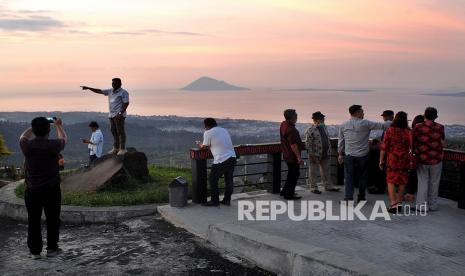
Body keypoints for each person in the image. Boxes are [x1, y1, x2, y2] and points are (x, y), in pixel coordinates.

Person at [19, 117, 67, 259]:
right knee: (53, 218)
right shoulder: (54, 145)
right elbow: (64, 138)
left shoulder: (27, 145)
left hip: (32, 189)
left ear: (33, 131)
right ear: (48, 130)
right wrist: (58, 125)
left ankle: (35, 252)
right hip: (52, 189)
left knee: (33, 220)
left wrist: (32, 127)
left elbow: (23, 136)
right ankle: (52, 248)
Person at [338, 105, 389, 202]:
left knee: (349, 177)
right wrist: (396, 121)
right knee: (363, 176)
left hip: (349, 155)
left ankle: (348, 199)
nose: (363, 113)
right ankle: (361, 197)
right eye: (362, 112)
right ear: (357, 113)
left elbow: (341, 141)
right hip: (363, 155)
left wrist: (340, 154)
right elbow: (383, 126)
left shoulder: (343, 125)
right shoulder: (365, 123)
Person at [81, 78, 129, 156]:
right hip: (111, 115)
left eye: (115, 83)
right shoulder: (110, 91)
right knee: (113, 131)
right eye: (112, 83)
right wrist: (89, 88)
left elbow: (126, 103)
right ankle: (116, 147)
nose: (113, 84)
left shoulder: (123, 92)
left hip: (118, 116)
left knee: (120, 131)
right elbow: (99, 91)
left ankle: (122, 148)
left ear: (120, 84)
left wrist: (120, 113)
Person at [196, 118, 236, 206]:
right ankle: (227, 200)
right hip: (232, 157)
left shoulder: (208, 132)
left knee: (213, 179)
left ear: (206, 126)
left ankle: (215, 201)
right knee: (228, 180)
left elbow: (204, 147)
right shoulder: (223, 130)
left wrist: (199, 144)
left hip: (221, 159)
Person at [413, 107, 444, 211]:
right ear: (436, 116)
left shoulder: (418, 127)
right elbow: (442, 141)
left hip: (422, 159)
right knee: (434, 182)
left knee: (423, 182)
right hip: (436, 159)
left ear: (424, 115)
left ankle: (422, 206)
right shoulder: (440, 127)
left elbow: (413, 141)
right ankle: (433, 205)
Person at [379, 111, 412, 213]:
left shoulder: (390, 130)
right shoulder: (409, 132)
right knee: (402, 181)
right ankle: (399, 203)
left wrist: (381, 161)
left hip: (392, 158)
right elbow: (411, 147)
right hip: (404, 158)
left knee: (391, 180)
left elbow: (384, 147)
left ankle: (393, 204)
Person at [304, 111, 339, 194]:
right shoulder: (310, 130)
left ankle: (328, 186)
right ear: (317, 120)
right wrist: (311, 154)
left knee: (326, 170)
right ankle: (313, 187)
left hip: (325, 153)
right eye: (322, 119)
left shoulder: (324, 128)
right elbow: (308, 143)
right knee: (313, 171)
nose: (324, 120)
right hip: (315, 154)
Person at [280, 109, 304, 200]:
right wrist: (299, 158)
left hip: (286, 154)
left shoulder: (283, 124)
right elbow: (293, 145)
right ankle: (289, 194)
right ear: (292, 117)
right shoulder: (292, 130)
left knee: (290, 174)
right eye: (296, 115)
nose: (297, 117)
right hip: (292, 156)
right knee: (294, 174)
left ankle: (285, 191)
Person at [405, 114, 425, 202]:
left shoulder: (411, 131)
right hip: (424, 157)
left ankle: (410, 194)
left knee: (411, 175)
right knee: (422, 178)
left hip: (411, 156)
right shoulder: (424, 132)